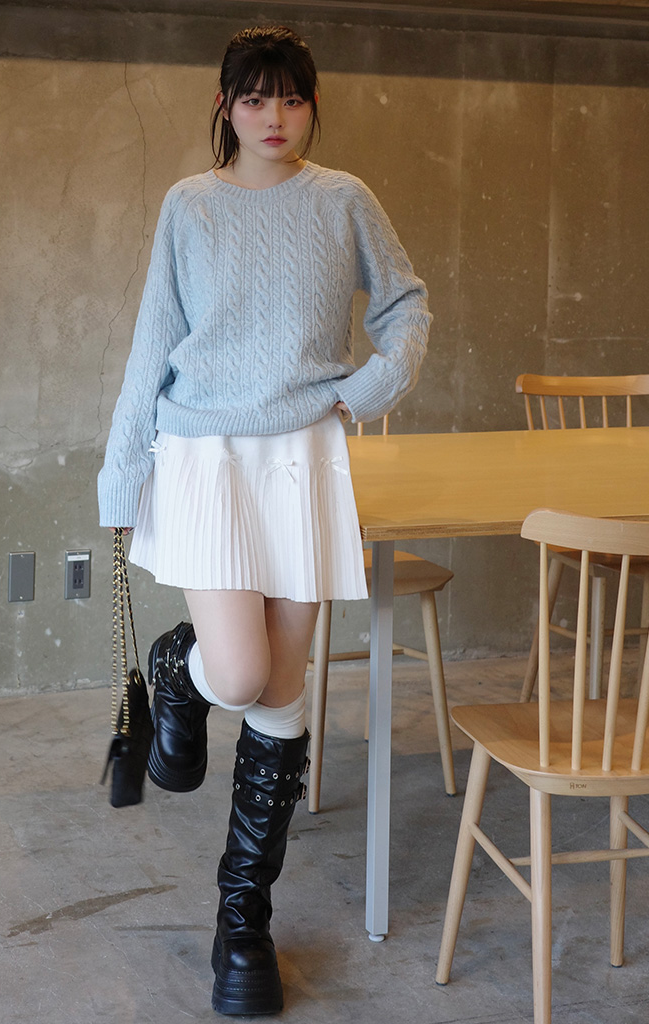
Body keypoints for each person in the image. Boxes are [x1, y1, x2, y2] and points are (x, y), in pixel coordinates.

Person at [98, 24, 431, 1016]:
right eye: (254, 98)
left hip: (305, 457)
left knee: (283, 692)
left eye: (290, 98)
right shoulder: (188, 206)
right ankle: (178, 670)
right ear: (225, 107)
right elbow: (152, 342)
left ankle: (242, 917)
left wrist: (366, 390)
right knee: (239, 672)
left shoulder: (344, 198)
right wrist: (123, 473)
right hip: (205, 456)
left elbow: (406, 305)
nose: (274, 117)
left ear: (311, 105)